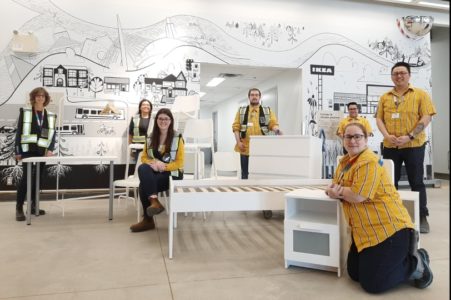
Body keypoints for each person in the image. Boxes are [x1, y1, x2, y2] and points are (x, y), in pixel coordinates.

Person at [325, 123, 433, 294]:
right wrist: (335, 190)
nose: (352, 141)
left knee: (373, 284)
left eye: (357, 136)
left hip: (389, 229)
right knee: (354, 273)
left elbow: (358, 195)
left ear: (366, 139)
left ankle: (417, 262)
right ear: (343, 139)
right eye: (348, 136)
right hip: (364, 232)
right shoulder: (344, 162)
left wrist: (337, 191)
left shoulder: (368, 161)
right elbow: (335, 186)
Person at [375, 61, 436, 233]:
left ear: (409, 75)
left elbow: (426, 117)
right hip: (390, 145)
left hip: (414, 145)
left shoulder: (420, 94)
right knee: (389, 182)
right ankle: (389, 214)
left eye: (402, 73)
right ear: (392, 77)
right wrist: (387, 136)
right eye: (395, 73)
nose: (399, 76)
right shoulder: (385, 97)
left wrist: (409, 136)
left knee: (416, 181)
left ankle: (422, 216)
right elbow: (379, 119)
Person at [130, 108, 184, 232]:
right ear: (156, 121)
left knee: (143, 185)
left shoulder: (178, 138)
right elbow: (143, 157)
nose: (163, 121)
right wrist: (154, 163)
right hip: (155, 171)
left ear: (171, 121)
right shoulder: (150, 137)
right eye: (160, 118)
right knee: (143, 167)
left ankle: (148, 221)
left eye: (166, 119)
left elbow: (180, 163)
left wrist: (164, 166)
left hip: (173, 173)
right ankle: (154, 201)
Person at [14, 87, 57, 221]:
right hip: (27, 150)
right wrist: (17, 151)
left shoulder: (49, 115)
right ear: (33, 98)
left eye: (43, 96)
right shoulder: (25, 112)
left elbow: (51, 134)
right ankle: (19, 207)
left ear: (46, 99)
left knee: (38, 179)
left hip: (42, 152)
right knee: (26, 179)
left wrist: (50, 149)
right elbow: (19, 131)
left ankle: (32, 206)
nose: (40, 98)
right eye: (38, 96)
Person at [232, 88, 281, 179]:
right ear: (249, 97)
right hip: (245, 147)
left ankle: (259, 191)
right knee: (245, 174)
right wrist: (238, 142)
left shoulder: (267, 111)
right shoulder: (241, 111)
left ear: (260, 97)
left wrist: (277, 130)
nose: (254, 97)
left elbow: (272, 124)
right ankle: (246, 191)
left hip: (262, 147)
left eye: (256, 95)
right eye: (252, 95)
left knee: (260, 174)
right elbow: (236, 127)